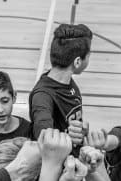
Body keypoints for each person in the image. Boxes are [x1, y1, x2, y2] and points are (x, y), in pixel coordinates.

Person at [29, 23, 93, 151]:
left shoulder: (68, 82)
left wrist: (82, 132)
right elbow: (44, 140)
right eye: (89, 54)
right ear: (77, 62)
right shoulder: (42, 97)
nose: (89, 57)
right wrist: (69, 138)